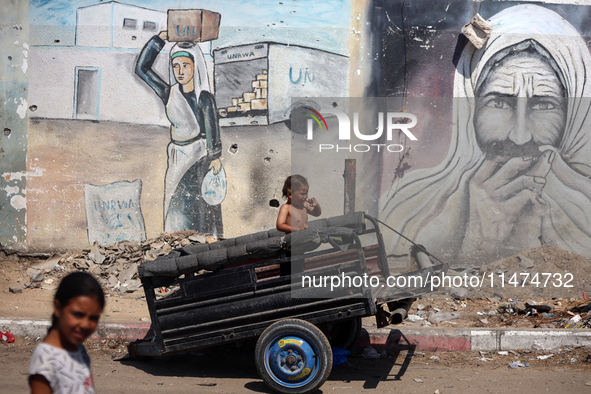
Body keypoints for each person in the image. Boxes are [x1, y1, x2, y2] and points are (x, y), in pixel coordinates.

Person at [380, 4, 591, 266]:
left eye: (543, 104)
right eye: (499, 103)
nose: (520, 137)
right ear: (471, 105)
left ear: (573, 115)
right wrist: (471, 231)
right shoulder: (408, 205)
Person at [136, 30, 223, 235]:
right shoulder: (169, 93)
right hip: (177, 157)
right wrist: (159, 39)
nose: (180, 71)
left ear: (195, 66)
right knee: (175, 201)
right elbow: (142, 68)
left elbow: (212, 130)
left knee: (200, 206)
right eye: (176, 66)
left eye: (185, 65)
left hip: (199, 158)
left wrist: (215, 157)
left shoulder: (204, 98)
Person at [29, 272, 105, 394]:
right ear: (58, 308)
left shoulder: (79, 350)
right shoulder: (46, 358)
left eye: (93, 318)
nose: (85, 324)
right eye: (78, 314)